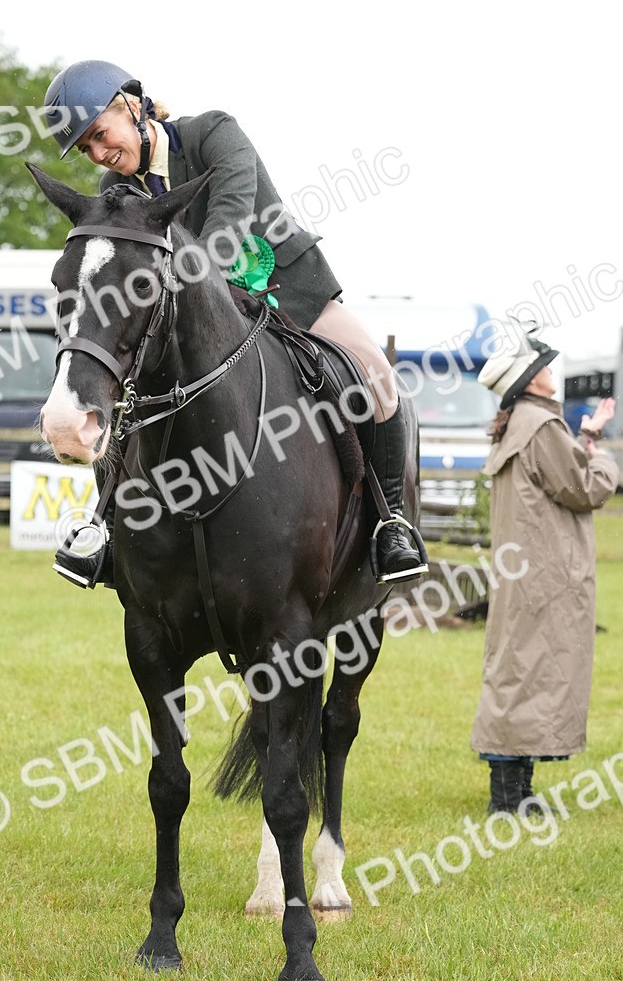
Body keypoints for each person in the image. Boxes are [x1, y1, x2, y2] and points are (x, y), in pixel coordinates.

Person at [42, 60, 428, 586]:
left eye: (99, 135)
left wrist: (204, 284)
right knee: (116, 398)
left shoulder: (213, 133)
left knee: (379, 378)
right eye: (85, 149)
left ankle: (391, 524)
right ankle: (106, 530)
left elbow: (231, 216)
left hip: (288, 292)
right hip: (198, 329)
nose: (98, 154)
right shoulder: (117, 190)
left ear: (131, 106)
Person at [470, 329, 618, 814]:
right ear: (531, 380)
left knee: (519, 672)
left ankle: (518, 794)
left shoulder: (522, 423)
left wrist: (590, 434)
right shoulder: (541, 426)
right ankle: (507, 799)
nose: (553, 373)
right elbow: (583, 488)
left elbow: (560, 468)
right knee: (529, 674)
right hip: (546, 576)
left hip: (523, 574)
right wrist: (608, 462)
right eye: (546, 367)